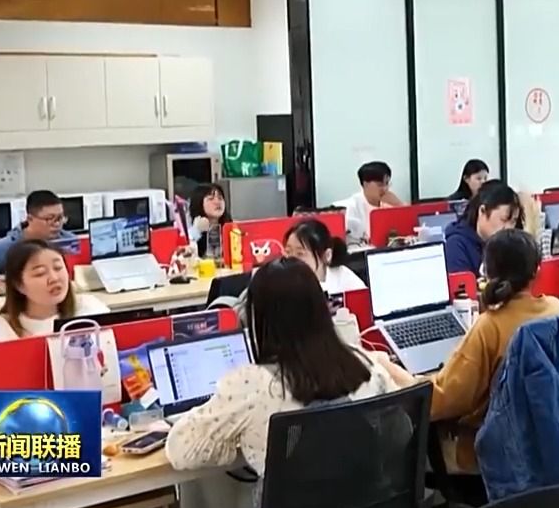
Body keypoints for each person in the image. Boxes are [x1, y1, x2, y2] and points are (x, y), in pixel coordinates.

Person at [166, 258, 397, 477]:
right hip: (367, 504)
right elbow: (401, 430)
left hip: (295, 506)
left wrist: (230, 438)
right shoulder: (361, 363)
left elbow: (181, 450)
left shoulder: (252, 384)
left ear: (257, 318)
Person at [379, 229, 559, 473]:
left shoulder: (490, 327)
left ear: (487, 272)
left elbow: (437, 400)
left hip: (486, 451)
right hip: (542, 439)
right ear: (536, 271)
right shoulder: (555, 310)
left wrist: (387, 365)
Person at [0, 241, 109, 394]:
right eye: (40, 273)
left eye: (58, 268)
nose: (54, 278)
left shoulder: (90, 309)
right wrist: (12, 395)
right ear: (19, 285)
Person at [443, 180, 522, 275]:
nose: (509, 228)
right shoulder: (457, 245)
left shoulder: (510, 244)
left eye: (513, 221)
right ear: (482, 211)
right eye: (504, 219)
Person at [0, 190, 76, 274]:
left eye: (60, 218)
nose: (57, 224)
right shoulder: (2, 249)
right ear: (30, 219)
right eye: (49, 219)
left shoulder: (71, 241)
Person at [282, 219, 366, 297]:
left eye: (300, 254)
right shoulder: (282, 281)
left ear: (327, 255)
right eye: (288, 252)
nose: (291, 259)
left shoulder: (344, 277)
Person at [336, 161, 403, 244]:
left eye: (387, 183)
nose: (385, 189)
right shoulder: (351, 207)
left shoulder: (390, 202)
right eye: (380, 185)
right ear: (365, 184)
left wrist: (399, 204)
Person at [188, 183, 232, 259]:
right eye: (211, 199)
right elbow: (185, 255)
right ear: (199, 202)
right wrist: (196, 232)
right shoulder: (191, 230)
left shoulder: (230, 227)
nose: (217, 202)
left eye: (220, 198)